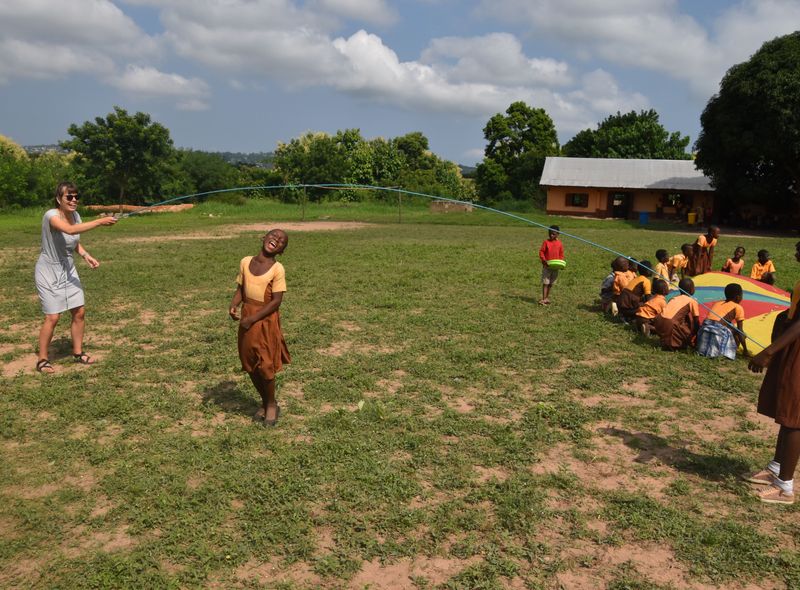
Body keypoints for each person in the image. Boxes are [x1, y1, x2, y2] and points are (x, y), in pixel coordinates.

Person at [34, 182, 117, 373]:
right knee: (53, 317)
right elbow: (69, 231)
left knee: (79, 311)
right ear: (58, 199)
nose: (73, 200)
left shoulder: (76, 216)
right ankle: (42, 359)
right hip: (48, 271)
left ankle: (78, 353)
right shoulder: (51, 216)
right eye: (68, 197)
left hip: (68, 269)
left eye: (76, 197)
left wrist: (86, 255)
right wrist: (99, 222)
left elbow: (73, 241)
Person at [745, 241, 800, 504]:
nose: (796, 249)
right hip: (791, 348)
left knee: (794, 419)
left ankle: (785, 487)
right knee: (786, 410)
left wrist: (768, 352)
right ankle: (777, 467)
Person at [229, 229, 291, 426]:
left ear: (281, 251)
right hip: (247, 318)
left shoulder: (277, 269)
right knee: (249, 363)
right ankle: (264, 402)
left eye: (281, 241)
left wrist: (254, 318)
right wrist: (234, 304)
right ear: (264, 238)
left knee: (265, 365)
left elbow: (276, 301)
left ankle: (272, 404)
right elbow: (241, 288)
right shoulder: (246, 261)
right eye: (274, 235)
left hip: (265, 321)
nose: (276, 239)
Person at [696, 283, 748, 360]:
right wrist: (745, 350)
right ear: (737, 297)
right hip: (719, 333)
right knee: (741, 333)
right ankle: (729, 351)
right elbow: (740, 331)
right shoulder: (738, 307)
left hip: (704, 333)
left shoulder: (717, 303)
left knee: (731, 328)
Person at [653, 278, 700, 350]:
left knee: (684, 322)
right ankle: (672, 344)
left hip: (658, 320)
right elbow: (696, 321)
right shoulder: (692, 301)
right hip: (670, 323)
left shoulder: (674, 298)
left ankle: (666, 340)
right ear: (691, 289)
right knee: (683, 340)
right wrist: (694, 335)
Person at [538, 225, 564, 305]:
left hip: (555, 267)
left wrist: (561, 264)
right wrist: (544, 260)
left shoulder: (559, 244)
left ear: (558, 234)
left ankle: (546, 298)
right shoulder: (546, 242)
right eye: (550, 233)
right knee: (546, 283)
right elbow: (541, 252)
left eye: (553, 234)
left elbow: (561, 254)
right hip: (547, 266)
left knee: (551, 283)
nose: (551, 235)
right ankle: (543, 299)